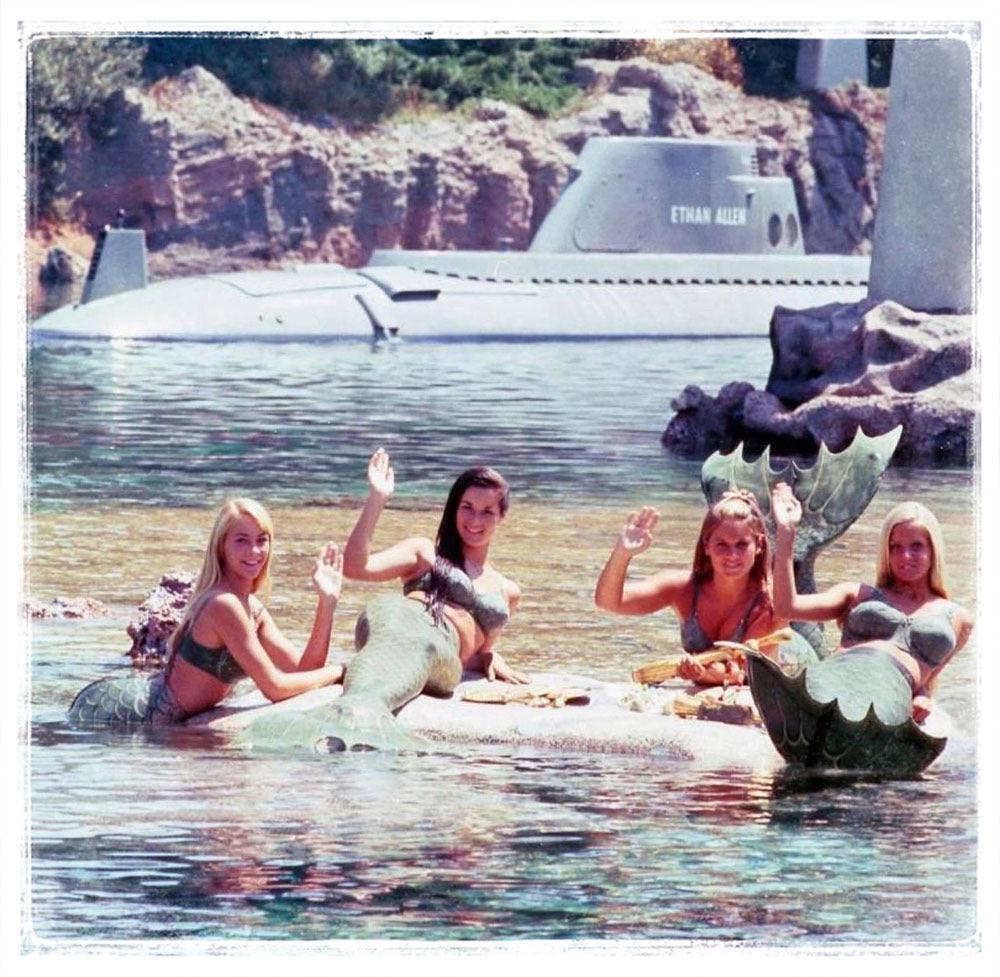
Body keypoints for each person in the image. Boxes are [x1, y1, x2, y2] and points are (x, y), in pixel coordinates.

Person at [69, 498, 345, 725]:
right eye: (241, 540)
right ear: (221, 547)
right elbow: (274, 688)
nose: (254, 550)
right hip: (131, 713)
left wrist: (327, 603)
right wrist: (341, 669)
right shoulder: (223, 605)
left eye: (262, 540)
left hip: (150, 716)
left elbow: (306, 672)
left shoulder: (252, 610)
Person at [769, 482, 973, 723]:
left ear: (933, 550)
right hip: (835, 681)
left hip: (886, 702)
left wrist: (924, 698)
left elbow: (925, 680)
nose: (905, 556)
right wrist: (786, 532)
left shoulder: (960, 619)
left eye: (916, 546)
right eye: (895, 547)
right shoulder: (858, 594)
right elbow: (786, 607)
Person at [342, 447, 527, 686]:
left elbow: (467, 654)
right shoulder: (424, 553)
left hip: (440, 668)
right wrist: (377, 498)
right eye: (467, 507)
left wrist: (487, 658)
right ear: (453, 508)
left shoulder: (508, 592)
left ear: (502, 516)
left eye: (487, 512)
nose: (474, 521)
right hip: (403, 642)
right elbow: (354, 567)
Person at [594, 489, 784, 685]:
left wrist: (698, 672)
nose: (732, 555)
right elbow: (608, 602)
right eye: (721, 544)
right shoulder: (683, 588)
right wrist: (622, 553)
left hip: (763, 693)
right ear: (706, 545)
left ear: (759, 544)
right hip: (708, 689)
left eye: (742, 544)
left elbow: (738, 673)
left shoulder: (769, 602)